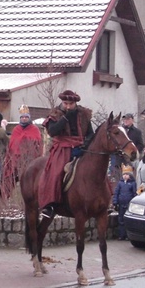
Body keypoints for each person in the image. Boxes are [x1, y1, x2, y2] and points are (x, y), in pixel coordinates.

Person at [39, 90, 94, 219]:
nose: (68, 106)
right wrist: (65, 118)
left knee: (95, 168)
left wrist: (85, 144)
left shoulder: (84, 114)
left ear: (75, 103)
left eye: (71, 104)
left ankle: (101, 202)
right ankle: (50, 205)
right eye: (65, 103)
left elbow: (91, 133)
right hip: (62, 148)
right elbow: (52, 132)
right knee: (56, 172)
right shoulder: (55, 114)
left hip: (81, 147)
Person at [1, 105, 43, 200]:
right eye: (22, 117)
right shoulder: (16, 129)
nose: (24, 119)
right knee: (9, 179)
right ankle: (5, 199)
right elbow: (12, 144)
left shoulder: (35, 129)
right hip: (15, 160)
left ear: (29, 118)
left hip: (29, 159)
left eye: (26, 117)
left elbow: (38, 143)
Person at [112, 165, 136, 240]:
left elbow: (134, 193)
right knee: (121, 219)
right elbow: (116, 193)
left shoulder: (133, 183)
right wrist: (115, 202)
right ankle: (121, 235)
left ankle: (128, 235)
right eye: (124, 174)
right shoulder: (120, 183)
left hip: (129, 204)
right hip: (121, 204)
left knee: (128, 220)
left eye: (127, 174)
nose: (125, 176)